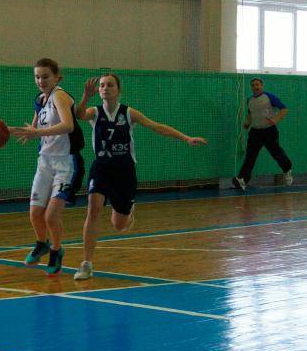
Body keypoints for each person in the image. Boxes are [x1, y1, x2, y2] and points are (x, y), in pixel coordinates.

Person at [72, 74, 207, 280]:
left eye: (110, 85)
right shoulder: (95, 112)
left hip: (124, 171)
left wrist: (186, 138)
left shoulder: (128, 113)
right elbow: (79, 114)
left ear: (118, 90)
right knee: (93, 210)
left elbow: (156, 126)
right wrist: (85, 96)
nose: (105, 88)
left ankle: (129, 212)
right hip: (101, 168)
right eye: (102, 85)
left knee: (119, 225)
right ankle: (87, 264)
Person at [10, 58, 85, 276]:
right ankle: (41, 243)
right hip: (45, 162)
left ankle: (56, 250)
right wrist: (7, 130)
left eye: (45, 76)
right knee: (35, 213)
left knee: (51, 216)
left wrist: (37, 132)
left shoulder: (59, 96)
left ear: (56, 77)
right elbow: (32, 129)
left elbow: (68, 125)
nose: (40, 81)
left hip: (66, 163)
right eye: (37, 77)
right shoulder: (39, 100)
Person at [232, 78, 293, 191]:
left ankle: (287, 170)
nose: (255, 87)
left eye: (257, 85)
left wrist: (276, 119)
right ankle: (242, 179)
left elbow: (284, 109)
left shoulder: (269, 97)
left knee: (276, 153)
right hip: (255, 132)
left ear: (262, 85)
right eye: (253, 85)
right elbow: (250, 114)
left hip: (269, 131)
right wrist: (247, 123)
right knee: (250, 156)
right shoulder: (249, 100)